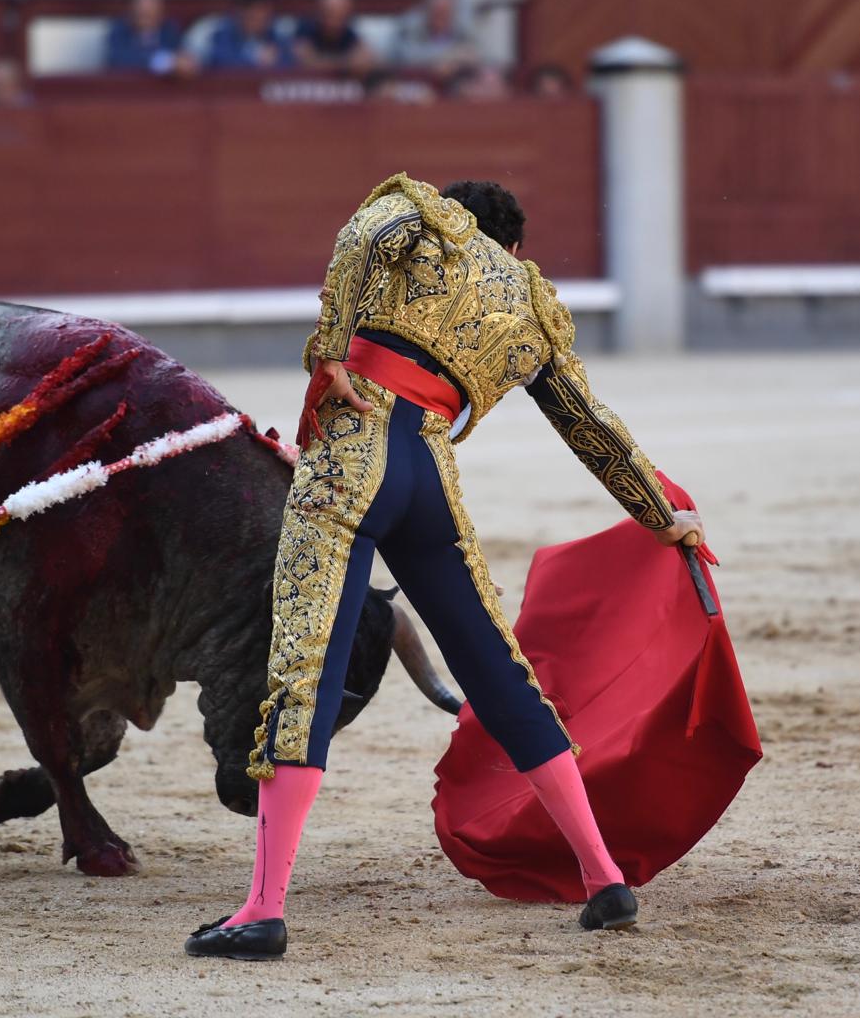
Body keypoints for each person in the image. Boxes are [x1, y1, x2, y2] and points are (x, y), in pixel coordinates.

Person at [184, 174, 704, 961]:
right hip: (429, 475)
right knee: (500, 671)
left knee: (304, 671)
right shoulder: (529, 300)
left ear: (461, 216)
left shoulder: (420, 211)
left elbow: (363, 237)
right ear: (515, 246)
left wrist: (328, 354)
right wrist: (661, 514)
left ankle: (262, 909)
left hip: (350, 461)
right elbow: (586, 422)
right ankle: (603, 877)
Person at [390, 0, 478, 78]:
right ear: (427, 11)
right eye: (436, 11)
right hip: (417, 83)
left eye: (445, 12)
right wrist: (447, 59)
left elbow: (474, 57)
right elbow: (406, 58)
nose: (440, 17)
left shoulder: (463, 33)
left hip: (454, 85)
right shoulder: (409, 30)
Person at [106, 0, 190, 75]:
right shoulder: (119, 31)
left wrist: (180, 63)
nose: (145, 18)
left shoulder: (169, 31)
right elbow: (118, 59)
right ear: (132, 12)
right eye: (141, 14)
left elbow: (179, 57)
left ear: (160, 13)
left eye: (149, 14)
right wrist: (162, 61)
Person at [206, 0, 295, 70]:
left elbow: (290, 64)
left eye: (259, 8)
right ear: (238, 11)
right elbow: (221, 63)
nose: (254, 14)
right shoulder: (221, 36)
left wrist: (277, 61)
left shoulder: (279, 37)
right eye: (248, 7)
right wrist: (256, 61)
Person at [293, 0, 374, 74]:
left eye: (342, 13)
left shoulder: (349, 34)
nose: (336, 19)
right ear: (319, 12)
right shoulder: (305, 30)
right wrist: (347, 63)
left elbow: (367, 58)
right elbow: (307, 62)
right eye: (330, 12)